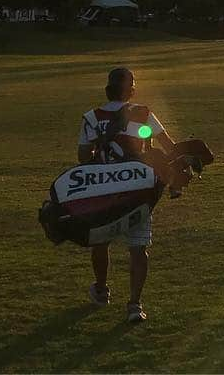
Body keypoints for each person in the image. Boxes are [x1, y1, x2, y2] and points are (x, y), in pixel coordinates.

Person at [77, 66, 176, 324]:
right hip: (138, 190)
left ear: (108, 88)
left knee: (100, 242)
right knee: (138, 247)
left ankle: (101, 289)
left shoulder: (92, 117)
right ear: (132, 89)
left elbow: (82, 157)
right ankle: (134, 304)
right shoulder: (143, 114)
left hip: (103, 191)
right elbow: (167, 145)